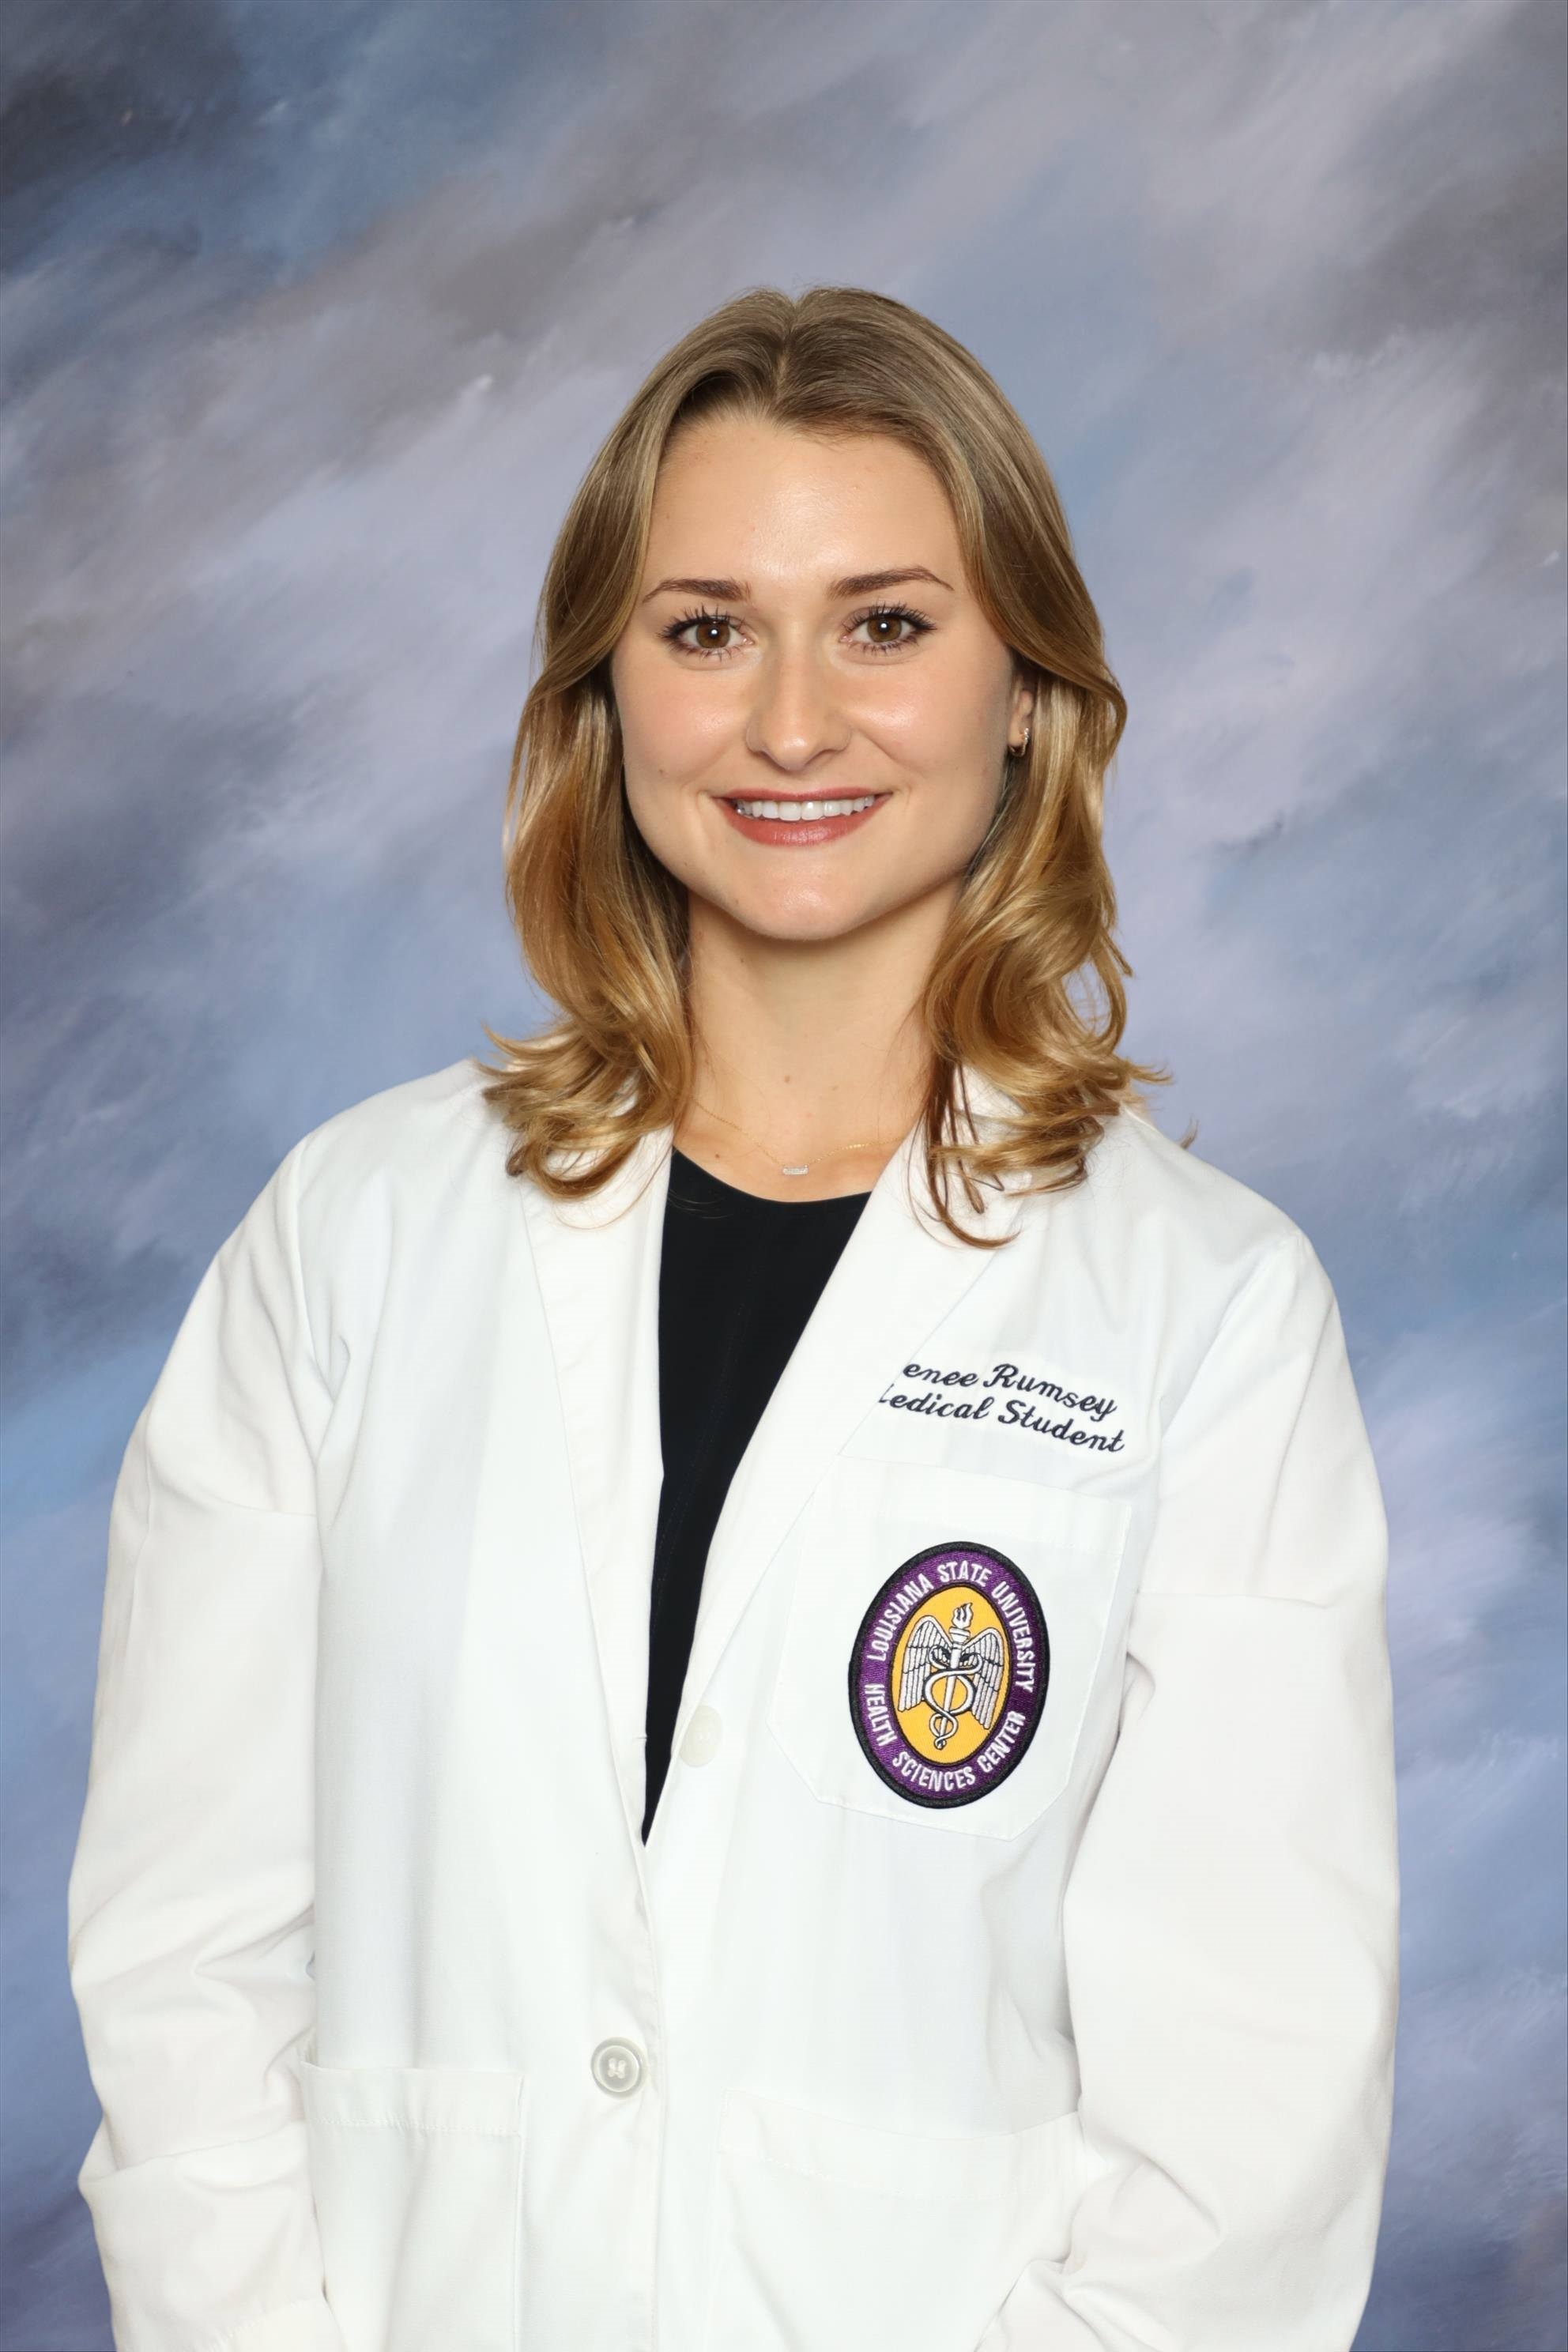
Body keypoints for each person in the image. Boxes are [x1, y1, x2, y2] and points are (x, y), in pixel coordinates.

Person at [66, 285, 1399, 2352]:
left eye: (884, 624)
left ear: (1028, 690)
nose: (793, 723)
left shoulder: (1206, 1315)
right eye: (707, 630)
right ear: (604, 698)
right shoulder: (356, 1238)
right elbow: (188, 1962)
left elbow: (1251, 2109)